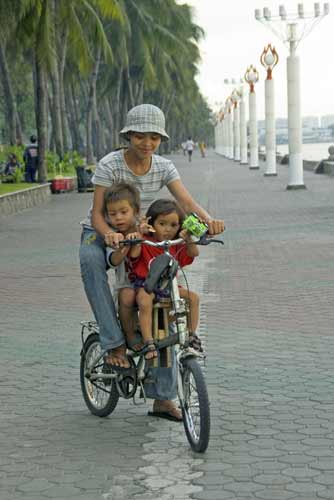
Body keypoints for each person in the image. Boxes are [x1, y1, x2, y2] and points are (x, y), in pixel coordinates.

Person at [79, 103, 224, 421]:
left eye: (154, 138)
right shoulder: (109, 164)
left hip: (140, 232)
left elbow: (186, 202)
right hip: (102, 229)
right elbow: (96, 212)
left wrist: (209, 221)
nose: (147, 143)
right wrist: (110, 235)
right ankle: (114, 343)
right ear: (128, 136)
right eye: (141, 136)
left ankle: (161, 399)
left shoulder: (163, 166)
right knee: (91, 263)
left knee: (160, 310)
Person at [123, 198, 201, 360]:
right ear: (152, 223)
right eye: (162, 224)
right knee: (145, 301)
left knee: (193, 298)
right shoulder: (146, 242)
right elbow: (134, 254)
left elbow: (193, 253)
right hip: (147, 285)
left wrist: (188, 238)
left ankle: (191, 335)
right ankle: (148, 341)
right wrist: (139, 234)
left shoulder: (175, 244)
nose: (168, 230)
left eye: (173, 225)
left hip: (169, 287)